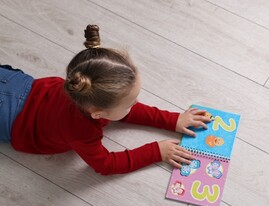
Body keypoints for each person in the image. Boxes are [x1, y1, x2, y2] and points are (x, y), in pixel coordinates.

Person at [0, 24, 211, 175]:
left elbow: (119, 106)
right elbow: (106, 165)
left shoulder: (80, 85)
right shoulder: (82, 130)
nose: (135, 105)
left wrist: (172, 120)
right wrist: (156, 151)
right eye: (131, 102)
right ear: (98, 114)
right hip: (10, 121)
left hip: (15, 83)